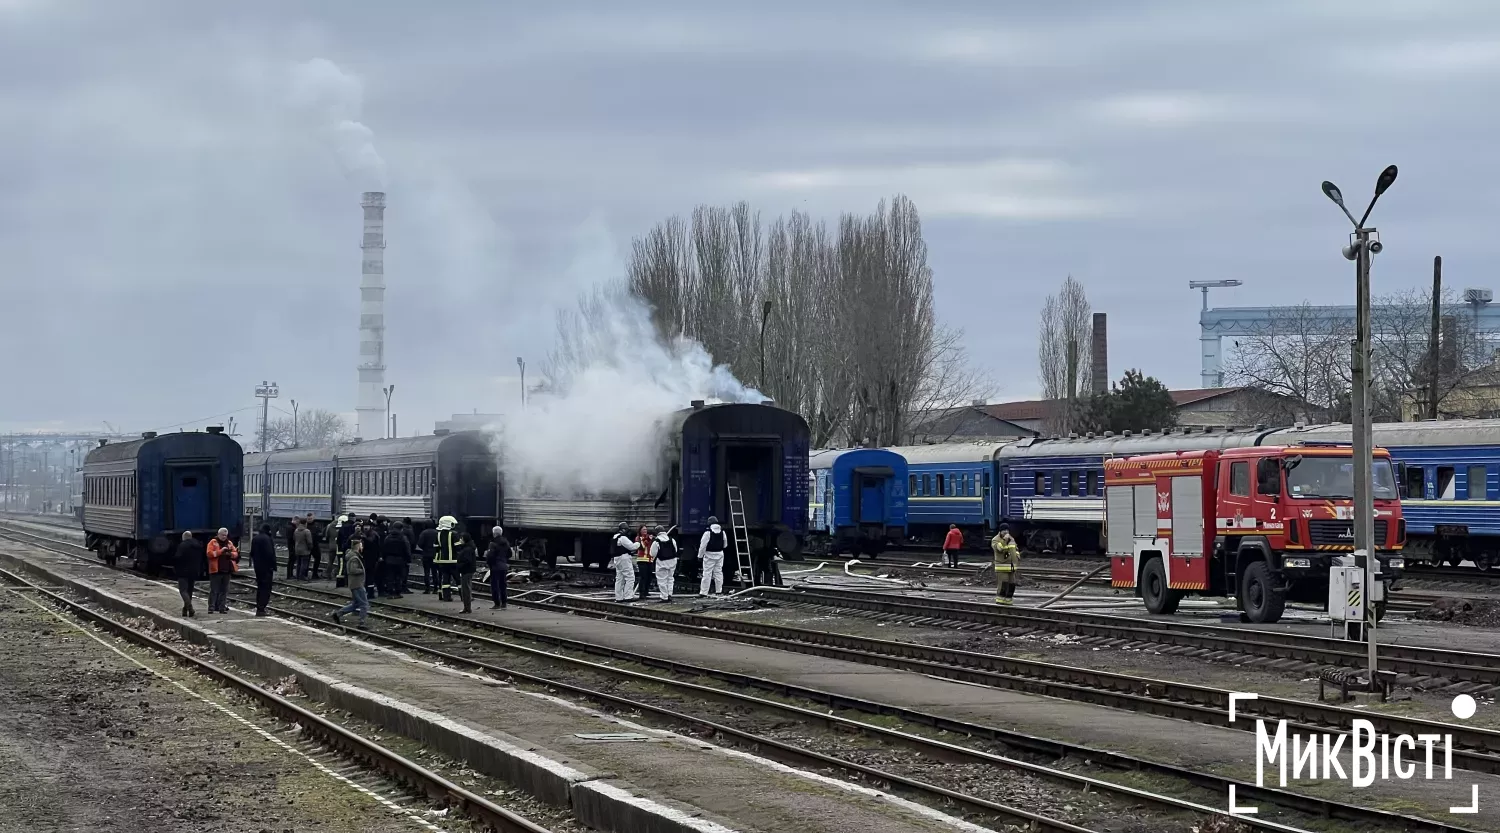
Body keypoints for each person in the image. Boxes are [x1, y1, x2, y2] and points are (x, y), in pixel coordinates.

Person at [331, 538, 369, 628]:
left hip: (355, 583)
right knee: (364, 604)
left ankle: (338, 614)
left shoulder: (352, 555)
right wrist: (363, 570)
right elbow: (352, 570)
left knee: (356, 604)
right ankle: (361, 623)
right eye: (361, 545)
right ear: (357, 546)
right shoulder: (354, 557)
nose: (362, 546)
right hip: (357, 584)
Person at [206, 528, 239, 614]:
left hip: (227, 570)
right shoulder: (213, 542)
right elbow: (209, 554)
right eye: (222, 535)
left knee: (224, 591)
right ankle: (211, 607)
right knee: (214, 590)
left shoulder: (229, 543)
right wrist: (221, 551)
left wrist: (230, 554)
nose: (224, 537)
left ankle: (222, 607)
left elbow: (235, 553)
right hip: (216, 570)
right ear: (218, 534)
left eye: (225, 535)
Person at [697, 516, 728, 597]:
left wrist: (700, 556)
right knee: (718, 572)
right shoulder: (723, 532)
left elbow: (703, 546)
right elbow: (725, 545)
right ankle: (719, 591)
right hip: (720, 554)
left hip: (709, 555)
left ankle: (704, 592)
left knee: (707, 573)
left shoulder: (707, 533)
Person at [250, 523, 276, 616]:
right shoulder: (267, 539)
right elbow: (270, 553)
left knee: (260, 587)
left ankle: (259, 607)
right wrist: (272, 566)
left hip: (258, 567)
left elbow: (252, 553)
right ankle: (261, 609)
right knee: (266, 588)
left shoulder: (255, 538)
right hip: (266, 567)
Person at [991, 524, 1021, 605]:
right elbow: (999, 548)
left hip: (1012, 567)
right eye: (1004, 530)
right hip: (1002, 567)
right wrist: (1004, 540)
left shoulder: (1012, 539)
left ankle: (1008, 601)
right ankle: (1000, 602)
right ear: (1000, 531)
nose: (1006, 532)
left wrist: (1017, 556)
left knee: (1012, 585)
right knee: (1003, 585)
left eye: (1007, 530)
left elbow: (1015, 548)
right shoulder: (995, 540)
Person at [173, 530, 201, 617]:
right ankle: (185, 610)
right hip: (194, 571)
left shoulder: (182, 546)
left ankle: (190, 608)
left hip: (183, 571)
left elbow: (178, 558)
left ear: (183, 538)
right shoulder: (198, 545)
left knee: (183, 591)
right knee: (189, 591)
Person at [611, 522, 640, 601]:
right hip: (624, 558)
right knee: (630, 577)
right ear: (623, 529)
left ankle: (619, 597)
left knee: (620, 578)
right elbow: (632, 547)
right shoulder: (623, 537)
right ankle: (628, 596)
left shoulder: (615, 537)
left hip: (617, 559)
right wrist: (638, 543)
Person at [381, 522, 410, 599]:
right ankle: (398, 592)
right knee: (399, 577)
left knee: (390, 576)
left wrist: (384, 558)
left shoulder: (388, 537)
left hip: (389, 559)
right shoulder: (403, 538)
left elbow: (384, 549)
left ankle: (390, 592)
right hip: (400, 560)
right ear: (401, 529)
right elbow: (407, 549)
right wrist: (408, 559)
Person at [433, 516, 459, 601]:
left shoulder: (438, 534)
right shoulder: (454, 534)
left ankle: (446, 597)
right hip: (453, 560)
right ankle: (464, 596)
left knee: (445, 579)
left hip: (442, 560)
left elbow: (436, 546)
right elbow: (458, 546)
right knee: (458, 579)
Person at [649, 525, 678, 602]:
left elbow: (652, 553)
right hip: (672, 561)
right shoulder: (672, 540)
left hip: (662, 562)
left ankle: (664, 596)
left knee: (662, 580)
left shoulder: (656, 541)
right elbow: (675, 550)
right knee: (670, 578)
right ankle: (670, 595)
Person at [485, 526, 511, 609]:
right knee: (503, 585)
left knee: (495, 585)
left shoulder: (493, 543)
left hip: (495, 567)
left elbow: (490, 556)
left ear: (494, 533)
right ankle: (504, 603)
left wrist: (489, 563)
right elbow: (509, 553)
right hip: (503, 566)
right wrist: (504, 560)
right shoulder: (506, 542)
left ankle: (497, 603)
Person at [455, 532, 478, 613]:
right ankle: (467, 607)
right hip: (468, 570)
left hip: (466, 571)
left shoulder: (467, 549)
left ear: (465, 539)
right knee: (466, 589)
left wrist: (459, 566)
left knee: (465, 589)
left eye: (461, 538)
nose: (460, 540)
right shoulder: (468, 547)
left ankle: (467, 608)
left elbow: (467, 561)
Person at [417, 522, 439, 594]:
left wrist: (425, 548)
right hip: (435, 555)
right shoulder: (437, 533)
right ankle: (436, 588)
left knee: (426, 572)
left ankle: (427, 589)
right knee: (435, 572)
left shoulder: (424, 533)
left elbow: (420, 543)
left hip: (426, 555)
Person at [634, 524, 654, 601]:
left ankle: (646, 591)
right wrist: (648, 539)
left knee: (649, 577)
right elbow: (642, 547)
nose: (645, 531)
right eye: (643, 529)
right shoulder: (638, 538)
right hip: (642, 560)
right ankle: (641, 593)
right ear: (640, 531)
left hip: (649, 560)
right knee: (643, 577)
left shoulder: (649, 537)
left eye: (646, 529)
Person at [304, 513, 323, 580]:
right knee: (306, 560)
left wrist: (319, 536)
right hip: (307, 546)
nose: (309, 520)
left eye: (311, 518)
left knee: (318, 558)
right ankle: (305, 574)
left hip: (315, 545)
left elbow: (320, 534)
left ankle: (314, 574)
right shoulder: (305, 526)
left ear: (313, 518)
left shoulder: (316, 525)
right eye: (308, 519)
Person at [324, 514, 342, 581]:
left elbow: (327, 535)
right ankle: (338, 575)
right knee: (340, 562)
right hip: (339, 546)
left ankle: (328, 575)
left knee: (330, 561)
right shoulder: (341, 526)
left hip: (331, 546)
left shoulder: (329, 525)